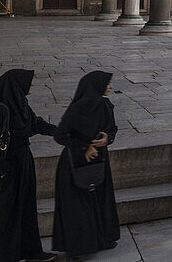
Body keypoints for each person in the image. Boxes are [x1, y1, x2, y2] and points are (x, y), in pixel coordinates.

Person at [0, 69, 58, 262]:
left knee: (25, 210)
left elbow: (36, 124)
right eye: (29, 82)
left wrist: (60, 132)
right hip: (5, 172)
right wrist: (2, 169)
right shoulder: (0, 109)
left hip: (22, 165)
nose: (32, 85)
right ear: (17, 85)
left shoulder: (20, 104)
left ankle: (30, 252)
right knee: (5, 216)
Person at [52, 71, 120, 258]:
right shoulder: (78, 109)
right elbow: (60, 136)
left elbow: (111, 129)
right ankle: (81, 247)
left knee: (99, 200)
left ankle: (101, 238)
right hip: (76, 162)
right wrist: (85, 146)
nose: (110, 87)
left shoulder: (105, 105)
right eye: (107, 84)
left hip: (99, 160)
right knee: (78, 205)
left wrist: (108, 138)